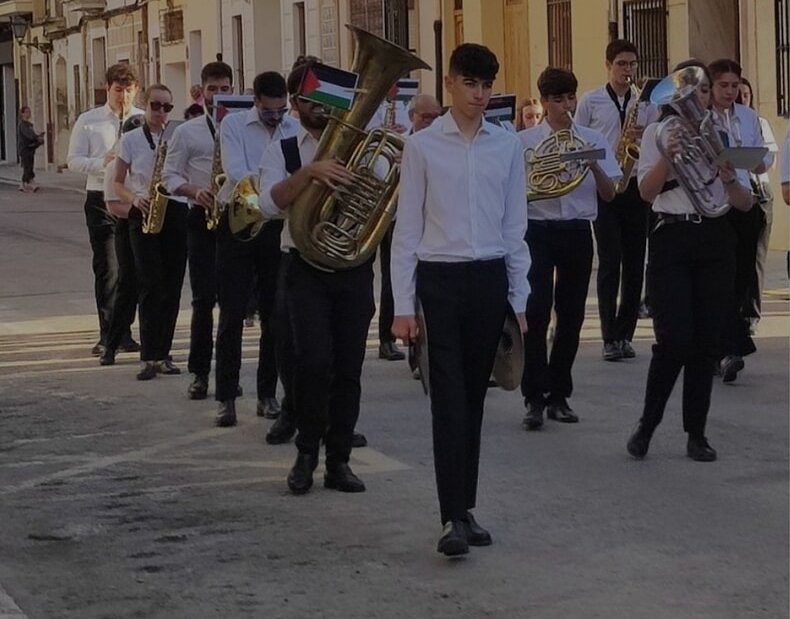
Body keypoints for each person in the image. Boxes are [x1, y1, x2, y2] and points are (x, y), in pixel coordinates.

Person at [391, 44, 530, 557]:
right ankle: (451, 517)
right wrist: (403, 307)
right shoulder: (423, 147)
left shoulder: (506, 145)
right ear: (450, 84)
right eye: (470, 84)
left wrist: (520, 297)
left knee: (473, 399)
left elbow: (516, 227)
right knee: (447, 400)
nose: (480, 94)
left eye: (487, 85)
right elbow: (406, 230)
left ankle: (464, 509)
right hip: (440, 280)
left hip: (489, 278)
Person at [626, 60, 755, 463]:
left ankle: (696, 433)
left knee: (705, 343)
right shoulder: (656, 134)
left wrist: (731, 175)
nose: (697, 98)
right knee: (674, 340)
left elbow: (745, 203)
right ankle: (647, 424)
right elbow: (646, 193)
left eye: (702, 91)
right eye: (692, 91)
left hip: (715, 238)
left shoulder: (723, 133)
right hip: (672, 237)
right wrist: (668, 158)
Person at [259, 60, 375, 494]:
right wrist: (309, 173)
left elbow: (386, 198)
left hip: (352, 267)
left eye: (329, 100)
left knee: (348, 368)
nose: (322, 108)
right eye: (313, 100)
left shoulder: (362, 146)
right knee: (312, 363)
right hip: (304, 267)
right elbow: (269, 206)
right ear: (296, 103)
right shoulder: (284, 149)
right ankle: (306, 452)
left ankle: (339, 460)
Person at [520, 67, 619, 431]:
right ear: (544, 102)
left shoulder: (592, 138)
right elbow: (517, 192)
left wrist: (592, 164)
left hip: (577, 230)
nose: (566, 106)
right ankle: (534, 396)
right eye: (558, 100)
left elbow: (610, 194)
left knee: (572, 315)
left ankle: (559, 394)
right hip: (537, 230)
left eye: (570, 98)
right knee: (536, 310)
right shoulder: (525, 142)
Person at [213, 71, 299, 426]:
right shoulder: (233, 125)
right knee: (232, 313)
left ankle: (267, 394)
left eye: (281, 111)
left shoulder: (292, 128)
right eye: (269, 112)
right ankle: (227, 397)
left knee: (274, 314)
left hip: (275, 224)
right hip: (237, 220)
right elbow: (237, 173)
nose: (276, 118)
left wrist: (282, 186)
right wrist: (281, 182)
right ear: (255, 100)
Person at [575, 39, 658, 362]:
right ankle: (609, 335)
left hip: (636, 185)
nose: (628, 70)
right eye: (622, 64)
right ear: (608, 65)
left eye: (632, 64)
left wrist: (643, 136)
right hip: (606, 186)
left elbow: (656, 142)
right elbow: (580, 138)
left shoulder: (646, 103)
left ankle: (626, 333)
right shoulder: (592, 100)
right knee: (610, 261)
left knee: (636, 262)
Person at [162, 61, 234, 403]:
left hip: (237, 219)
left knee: (234, 304)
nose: (218, 96)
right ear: (201, 92)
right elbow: (169, 176)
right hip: (201, 218)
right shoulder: (187, 132)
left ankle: (229, 375)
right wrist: (194, 192)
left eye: (224, 89)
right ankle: (200, 373)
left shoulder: (242, 128)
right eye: (212, 90)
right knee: (204, 301)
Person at [111, 85, 189, 381]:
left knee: (172, 285)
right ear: (145, 106)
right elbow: (118, 182)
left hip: (176, 210)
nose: (161, 112)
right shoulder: (130, 139)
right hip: (143, 211)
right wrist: (134, 198)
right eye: (156, 106)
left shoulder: (179, 137)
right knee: (149, 285)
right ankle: (148, 357)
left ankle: (164, 353)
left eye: (167, 107)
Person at [68, 64, 145, 358]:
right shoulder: (89, 121)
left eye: (128, 90)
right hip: (101, 197)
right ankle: (107, 333)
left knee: (134, 268)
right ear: (108, 88)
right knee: (109, 268)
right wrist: (104, 161)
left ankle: (125, 332)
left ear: (135, 90)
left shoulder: (142, 119)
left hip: (133, 198)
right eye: (117, 90)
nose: (123, 96)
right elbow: (73, 160)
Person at [708, 59, 771, 384]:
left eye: (735, 86)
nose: (730, 92)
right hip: (715, 204)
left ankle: (725, 348)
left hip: (744, 199)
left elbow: (764, 156)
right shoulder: (702, 118)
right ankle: (726, 349)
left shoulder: (748, 116)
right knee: (722, 277)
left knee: (741, 278)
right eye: (724, 86)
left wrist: (757, 161)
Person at [736, 77, 778, 334]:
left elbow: (769, 160)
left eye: (745, 94)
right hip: (736, 193)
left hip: (759, 191)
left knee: (756, 257)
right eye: (735, 92)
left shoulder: (759, 123)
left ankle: (751, 313)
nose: (740, 98)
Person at [17, 106, 44, 192]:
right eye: (27, 112)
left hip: (30, 147)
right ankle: (29, 183)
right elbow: (28, 135)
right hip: (24, 148)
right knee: (27, 166)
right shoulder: (22, 125)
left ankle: (24, 184)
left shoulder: (29, 125)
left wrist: (39, 137)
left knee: (29, 166)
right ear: (22, 114)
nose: (29, 114)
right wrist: (37, 138)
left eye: (29, 112)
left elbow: (32, 135)